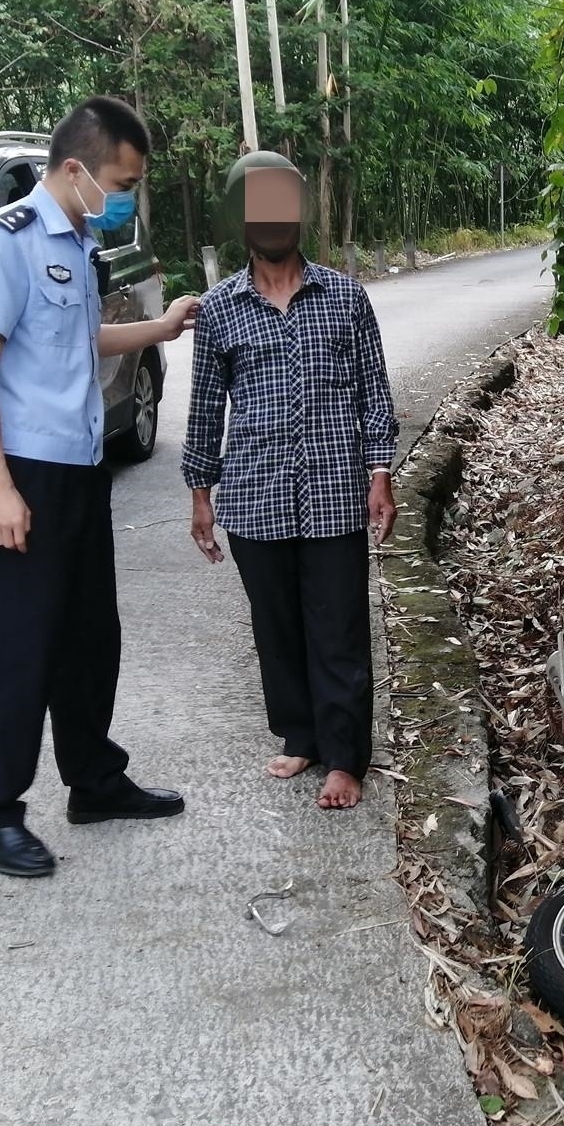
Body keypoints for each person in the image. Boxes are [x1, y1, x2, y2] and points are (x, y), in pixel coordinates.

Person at [0, 95, 199, 877]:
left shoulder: (81, 241)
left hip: (83, 469)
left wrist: (159, 329)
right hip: (27, 472)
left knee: (92, 637)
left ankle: (93, 779)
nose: (127, 193)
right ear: (75, 169)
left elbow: (77, 337)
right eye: (122, 179)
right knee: (25, 646)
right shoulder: (6, 243)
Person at [182, 151, 399, 810]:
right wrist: (200, 492)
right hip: (254, 493)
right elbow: (203, 405)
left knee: (338, 629)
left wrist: (380, 474)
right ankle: (300, 733)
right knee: (276, 626)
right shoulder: (221, 310)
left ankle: (344, 756)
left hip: (335, 492)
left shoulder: (346, 296)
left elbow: (372, 391)